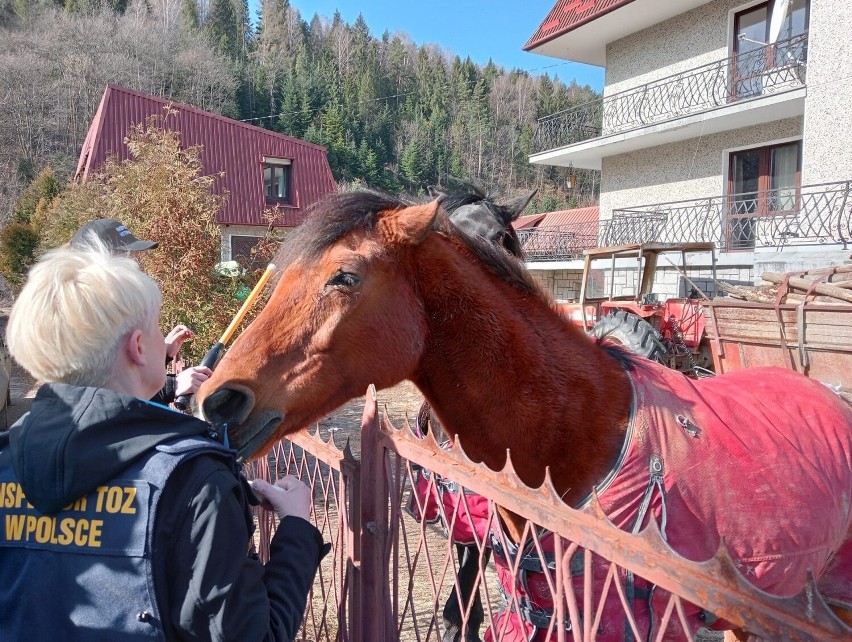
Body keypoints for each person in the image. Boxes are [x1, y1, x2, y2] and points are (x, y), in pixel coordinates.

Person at [0, 240, 328, 639]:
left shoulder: (6, 463)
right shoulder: (193, 483)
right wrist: (296, 529)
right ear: (137, 347)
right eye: (156, 327)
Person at [70, 217, 211, 407]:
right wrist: (173, 386)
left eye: (132, 255)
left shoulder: (107, 304)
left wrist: (162, 354)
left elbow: (125, 371)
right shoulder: (86, 314)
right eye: (124, 255)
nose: (133, 264)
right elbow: (107, 398)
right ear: (96, 259)